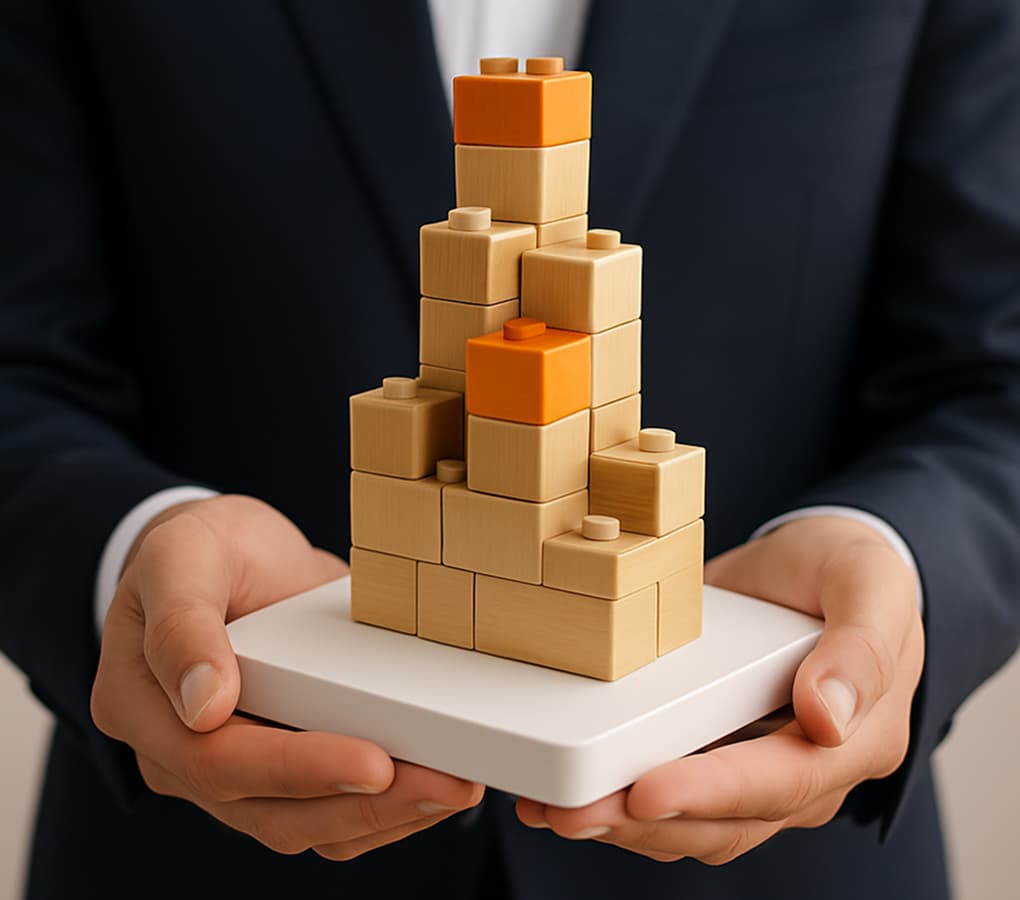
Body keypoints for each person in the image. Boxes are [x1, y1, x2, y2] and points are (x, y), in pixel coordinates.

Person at [2, 2, 1018, 898]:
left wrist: (891, 559)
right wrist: (130, 550)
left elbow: (996, 373)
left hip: (778, 865)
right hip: (206, 858)